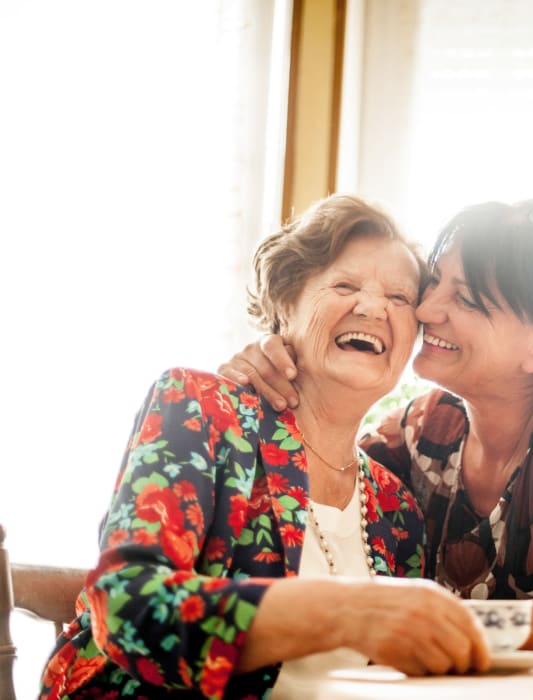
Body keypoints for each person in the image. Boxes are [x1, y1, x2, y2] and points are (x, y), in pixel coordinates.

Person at [39, 195, 490, 700]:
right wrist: (343, 611)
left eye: (400, 299)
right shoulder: (202, 409)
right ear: (284, 306)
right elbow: (125, 605)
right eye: (344, 285)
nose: (371, 307)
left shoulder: (397, 507)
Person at [220, 198, 533, 656]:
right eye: (435, 283)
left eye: (465, 299)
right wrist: (275, 361)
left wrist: (422, 622)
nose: (425, 312)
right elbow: (324, 469)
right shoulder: (422, 427)